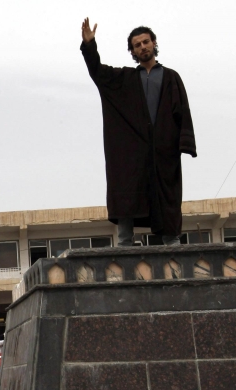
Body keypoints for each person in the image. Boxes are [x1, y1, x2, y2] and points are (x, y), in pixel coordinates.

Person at [80, 18, 196, 246]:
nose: (142, 47)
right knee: (127, 189)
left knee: (167, 196)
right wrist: (90, 45)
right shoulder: (125, 79)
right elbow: (98, 73)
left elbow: (182, 111)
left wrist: (184, 144)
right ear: (132, 51)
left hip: (164, 151)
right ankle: (125, 243)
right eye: (137, 45)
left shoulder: (171, 77)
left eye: (146, 42)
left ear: (154, 43)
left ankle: (172, 243)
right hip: (131, 152)